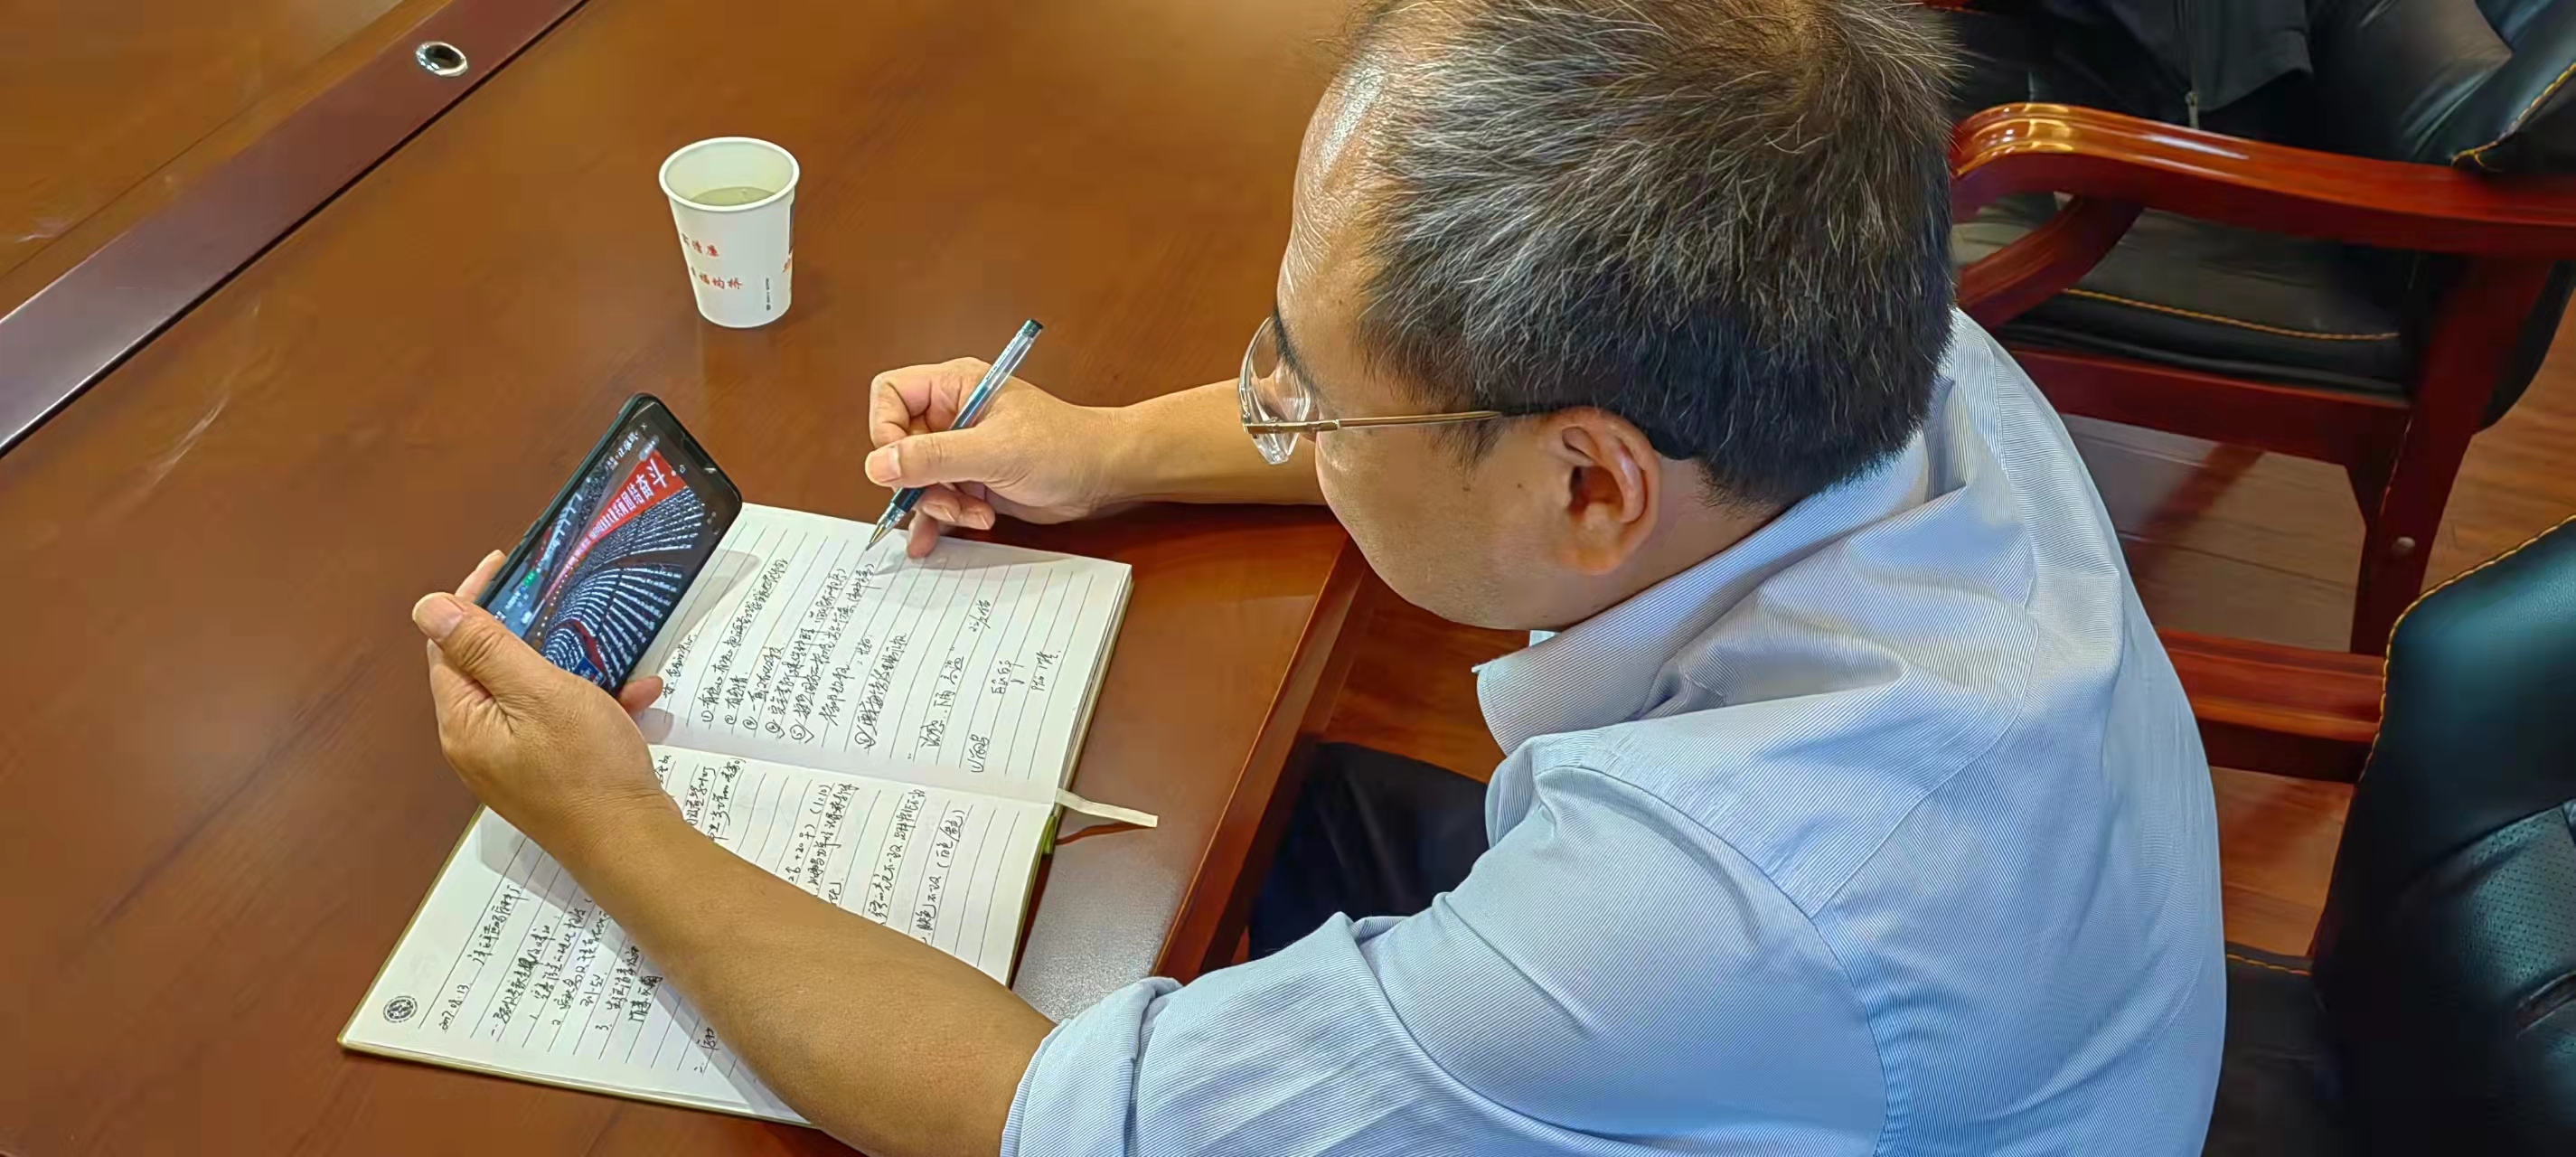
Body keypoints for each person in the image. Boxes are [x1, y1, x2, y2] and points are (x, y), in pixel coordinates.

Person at [408, 0, 2225, 1152]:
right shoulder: (1871, 334)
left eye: (1307, 392)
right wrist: (1101, 448)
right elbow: (1431, 407)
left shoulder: (1699, 913)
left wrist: (607, 821)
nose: (1273, 410)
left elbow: (1053, 1122)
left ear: (1591, 487)